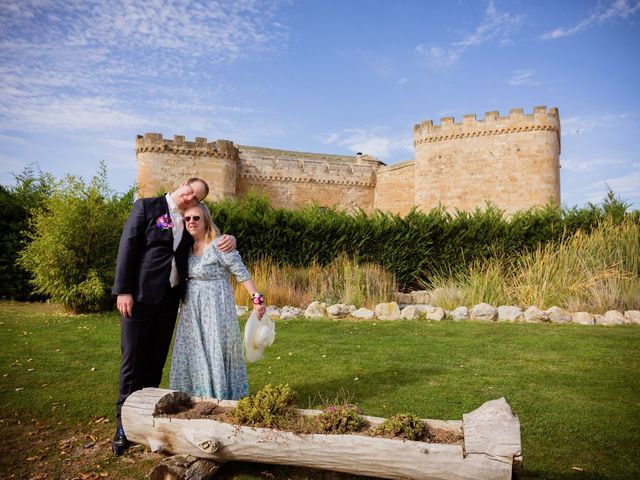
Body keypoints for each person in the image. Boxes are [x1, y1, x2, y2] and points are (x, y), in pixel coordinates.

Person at [111, 178, 236, 456]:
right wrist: (123, 290)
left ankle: (146, 418)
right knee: (133, 360)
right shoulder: (147, 207)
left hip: (168, 301)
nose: (190, 198)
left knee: (155, 361)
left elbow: (208, 240)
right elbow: (128, 247)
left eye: (196, 198)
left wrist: (231, 238)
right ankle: (122, 425)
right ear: (182, 185)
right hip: (139, 298)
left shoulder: (187, 220)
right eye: (190, 191)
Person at [169, 202, 266, 400]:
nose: (191, 221)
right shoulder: (186, 246)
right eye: (187, 219)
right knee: (192, 347)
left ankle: (219, 395)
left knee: (215, 346)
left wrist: (256, 297)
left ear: (206, 220)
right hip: (191, 306)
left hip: (216, 305)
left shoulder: (220, 243)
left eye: (196, 217)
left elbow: (240, 271)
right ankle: (193, 394)